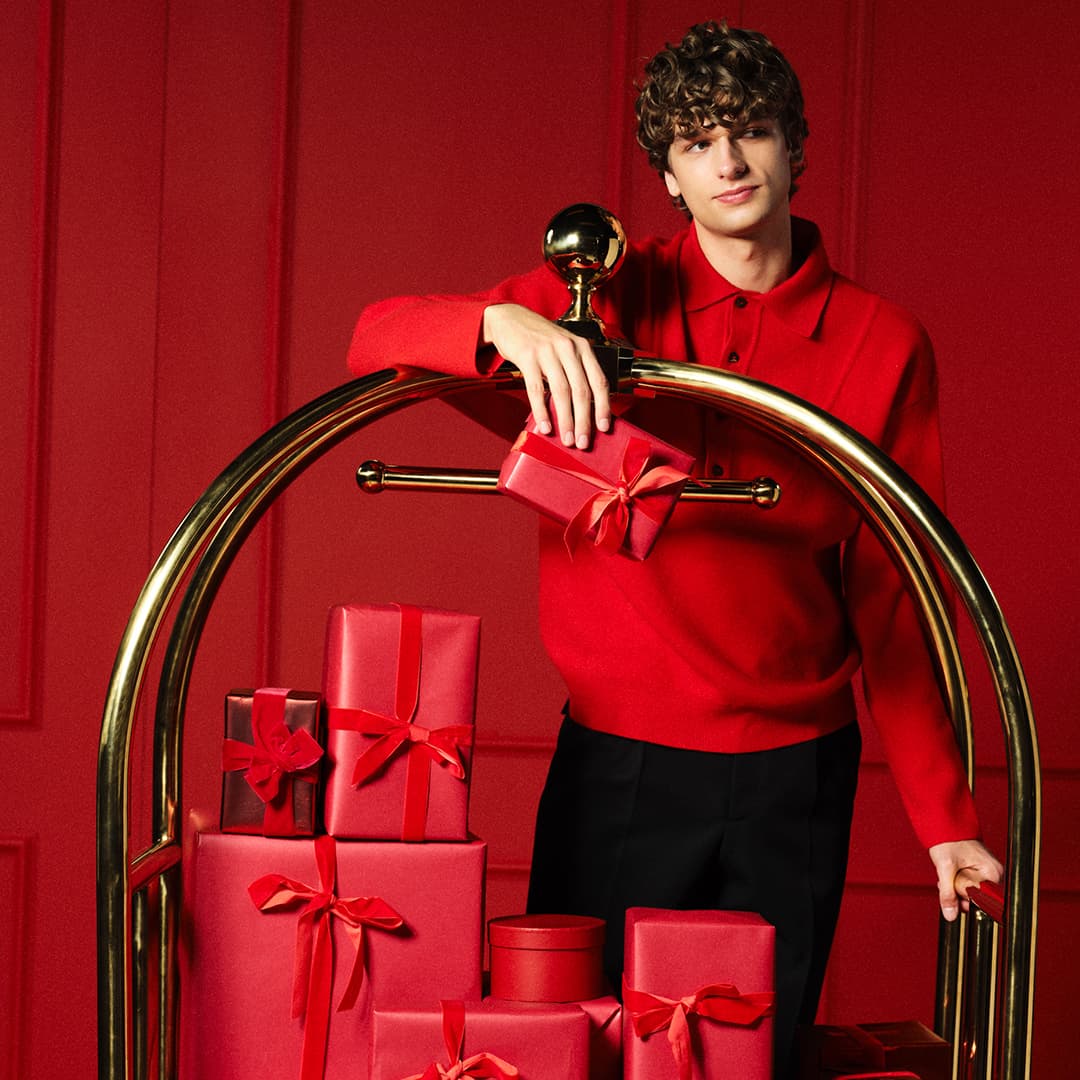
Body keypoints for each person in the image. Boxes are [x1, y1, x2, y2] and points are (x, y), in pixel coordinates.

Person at [347, 20, 1002, 1077]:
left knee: (755, 1059)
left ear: (794, 146)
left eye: (750, 133)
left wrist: (943, 821)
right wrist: (504, 329)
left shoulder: (886, 343)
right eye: (698, 144)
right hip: (618, 763)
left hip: (797, 771)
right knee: (578, 1053)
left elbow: (897, 593)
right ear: (668, 175)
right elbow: (375, 332)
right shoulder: (609, 295)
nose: (730, 162)